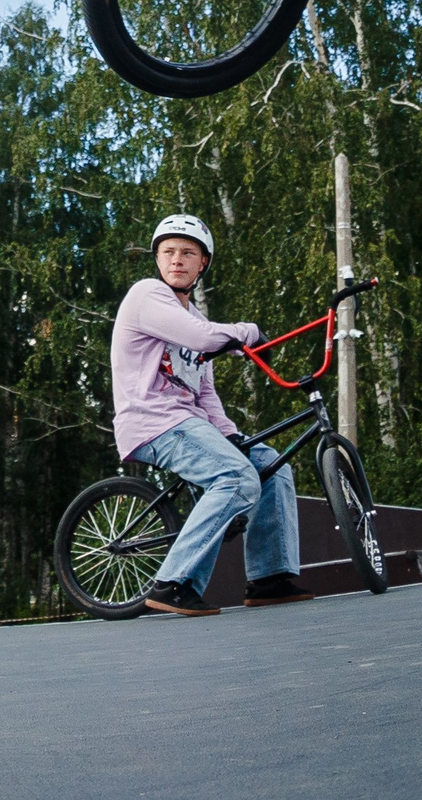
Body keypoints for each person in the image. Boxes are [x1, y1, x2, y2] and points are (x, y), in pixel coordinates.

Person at [110, 215, 312, 616]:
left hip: (190, 423)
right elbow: (206, 340)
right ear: (157, 260)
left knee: (270, 464)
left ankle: (269, 578)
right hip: (152, 421)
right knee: (235, 477)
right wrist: (250, 332)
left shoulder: (196, 319)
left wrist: (231, 435)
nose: (177, 260)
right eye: (168, 252)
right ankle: (173, 583)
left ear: (203, 263)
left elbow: (204, 392)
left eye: (188, 253)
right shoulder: (146, 294)